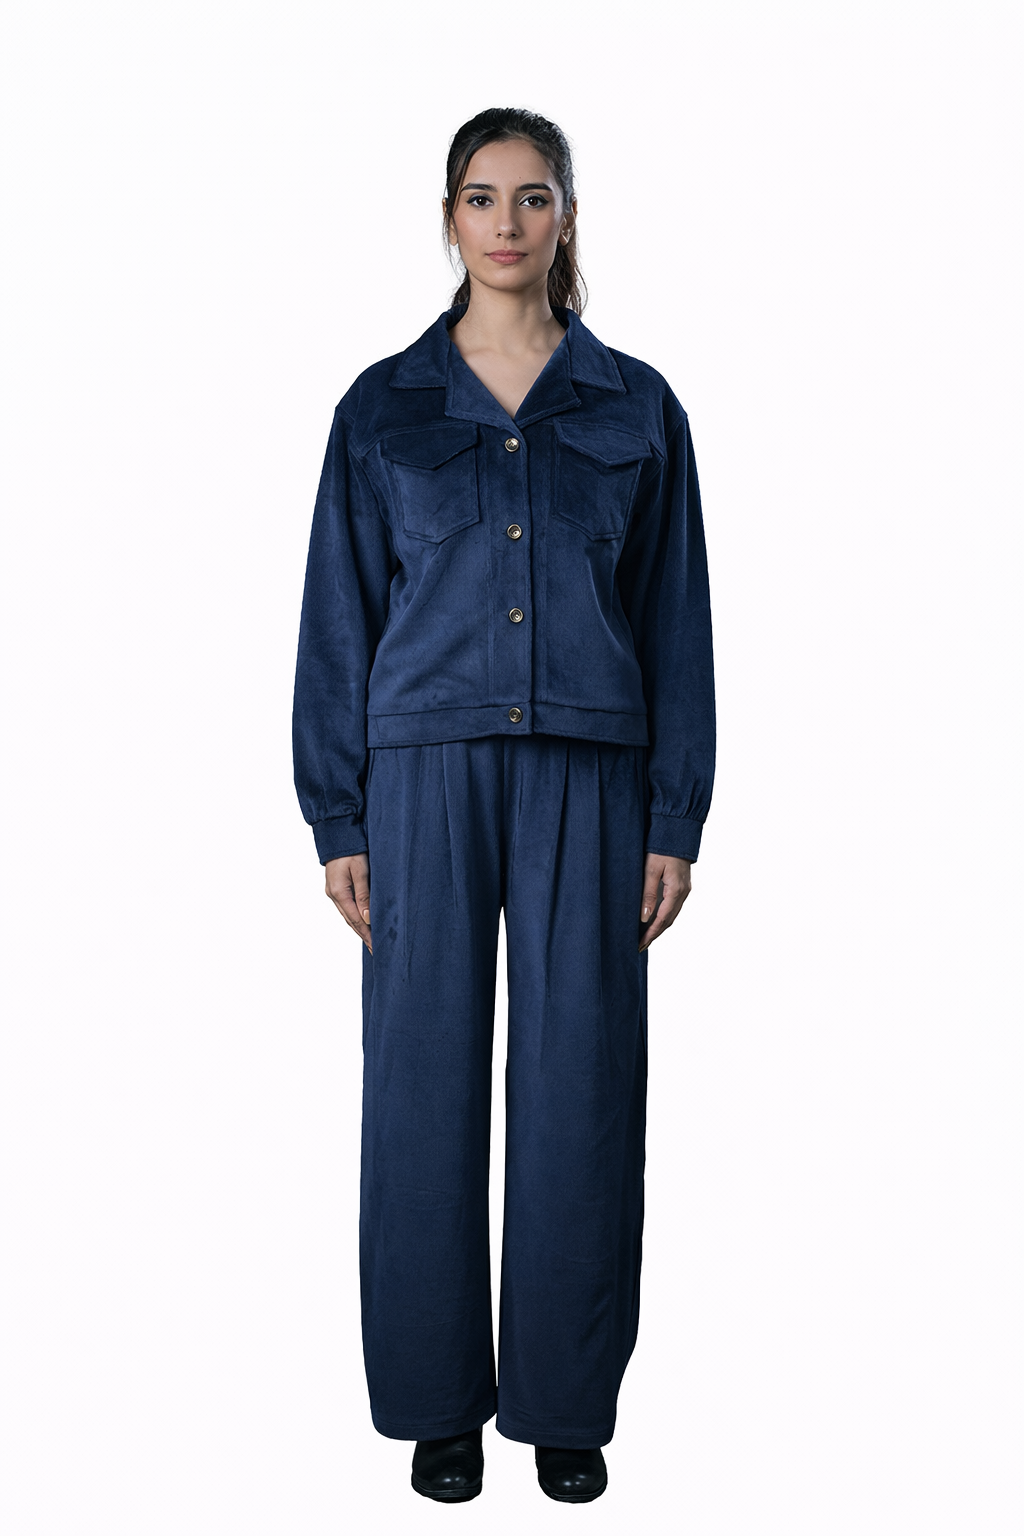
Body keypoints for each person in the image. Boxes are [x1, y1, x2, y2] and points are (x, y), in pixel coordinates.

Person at [292, 106, 715, 1504]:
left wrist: (674, 816)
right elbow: (338, 621)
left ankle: (563, 1404)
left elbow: (675, 619)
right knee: (419, 1086)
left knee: (581, 1084)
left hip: (592, 772)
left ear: (567, 216)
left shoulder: (636, 407)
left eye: (534, 198)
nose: (508, 223)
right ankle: (438, 1404)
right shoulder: (384, 408)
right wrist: (339, 818)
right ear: (449, 218)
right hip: (421, 773)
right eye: (483, 197)